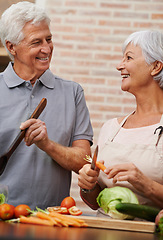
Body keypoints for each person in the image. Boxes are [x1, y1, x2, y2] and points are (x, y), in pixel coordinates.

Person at [0, 1, 93, 210]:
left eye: (48, 39)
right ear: (11, 47)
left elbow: (84, 161)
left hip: (53, 222)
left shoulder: (73, 93)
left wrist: (48, 145)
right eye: (36, 42)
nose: (46, 48)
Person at [78, 30, 163, 216]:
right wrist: (88, 185)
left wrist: (144, 183)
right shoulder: (111, 128)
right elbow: (95, 203)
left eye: (128, 58)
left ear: (156, 66)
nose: (119, 66)